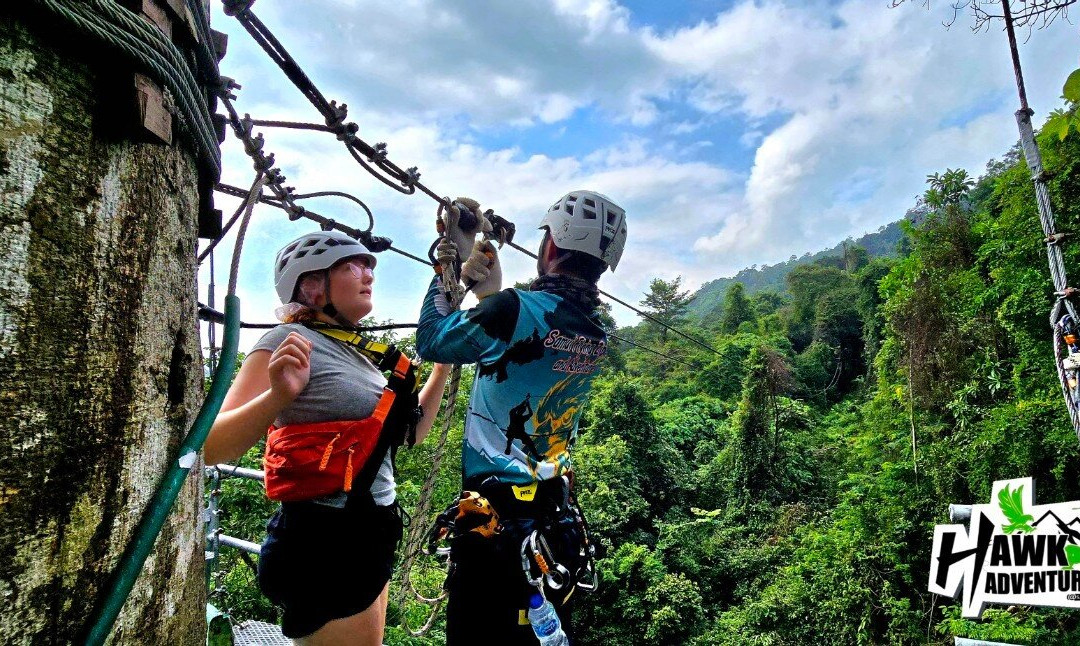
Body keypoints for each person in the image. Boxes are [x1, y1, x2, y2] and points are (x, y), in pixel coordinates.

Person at [204, 230, 450, 646]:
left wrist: (441, 369)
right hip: (326, 541)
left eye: (368, 267)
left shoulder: (361, 354)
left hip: (370, 529)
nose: (368, 274)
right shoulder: (286, 340)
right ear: (312, 285)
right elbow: (212, 446)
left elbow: (407, 436)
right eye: (353, 266)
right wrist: (278, 396)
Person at [415, 191, 628, 645]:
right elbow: (523, 332)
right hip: (553, 517)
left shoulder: (513, 310)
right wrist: (491, 289)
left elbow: (432, 341)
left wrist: (450, 267)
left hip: (494, 522)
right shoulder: (596, 333)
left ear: (550, 245)